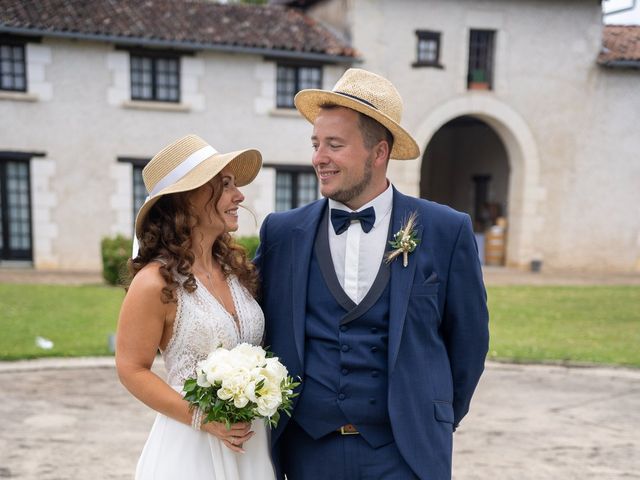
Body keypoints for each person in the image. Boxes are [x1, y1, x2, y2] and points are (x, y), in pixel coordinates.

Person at [254, 69, 490, 479]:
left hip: (405, 454)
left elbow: (468, 340)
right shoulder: (281, 233)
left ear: (378, 153)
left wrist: (434, 416)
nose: (318, 158)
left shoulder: (446, 230)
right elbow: (252, 323)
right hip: (307, 452)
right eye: (316, 144)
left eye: (334, 145)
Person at [115, 134, 275, 480]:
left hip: (251, 446)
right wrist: (203, 418)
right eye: (225, 185)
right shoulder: (155, 283)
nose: (239, 196)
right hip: (191, 449)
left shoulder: (236, 270)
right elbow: (131, 367)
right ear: (188, 199)